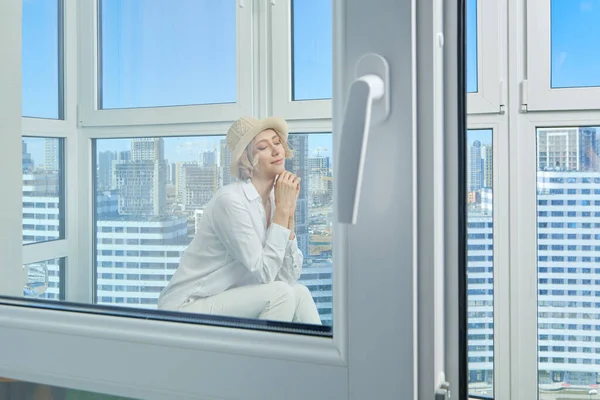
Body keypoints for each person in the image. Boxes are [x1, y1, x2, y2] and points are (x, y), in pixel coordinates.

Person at [158, 116, 321, 324]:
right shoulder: (230, 201)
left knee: (299, 292)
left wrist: (287, 214)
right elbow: (265, 273)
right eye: (263, 146)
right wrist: (283, 210)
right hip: (186, 305)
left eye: (277, 142)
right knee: (280, 294)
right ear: (247, 160)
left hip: (223, 298)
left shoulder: (274, 200)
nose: (276, 150)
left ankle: (319, 357)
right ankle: (260, 357)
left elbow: (288, 277)